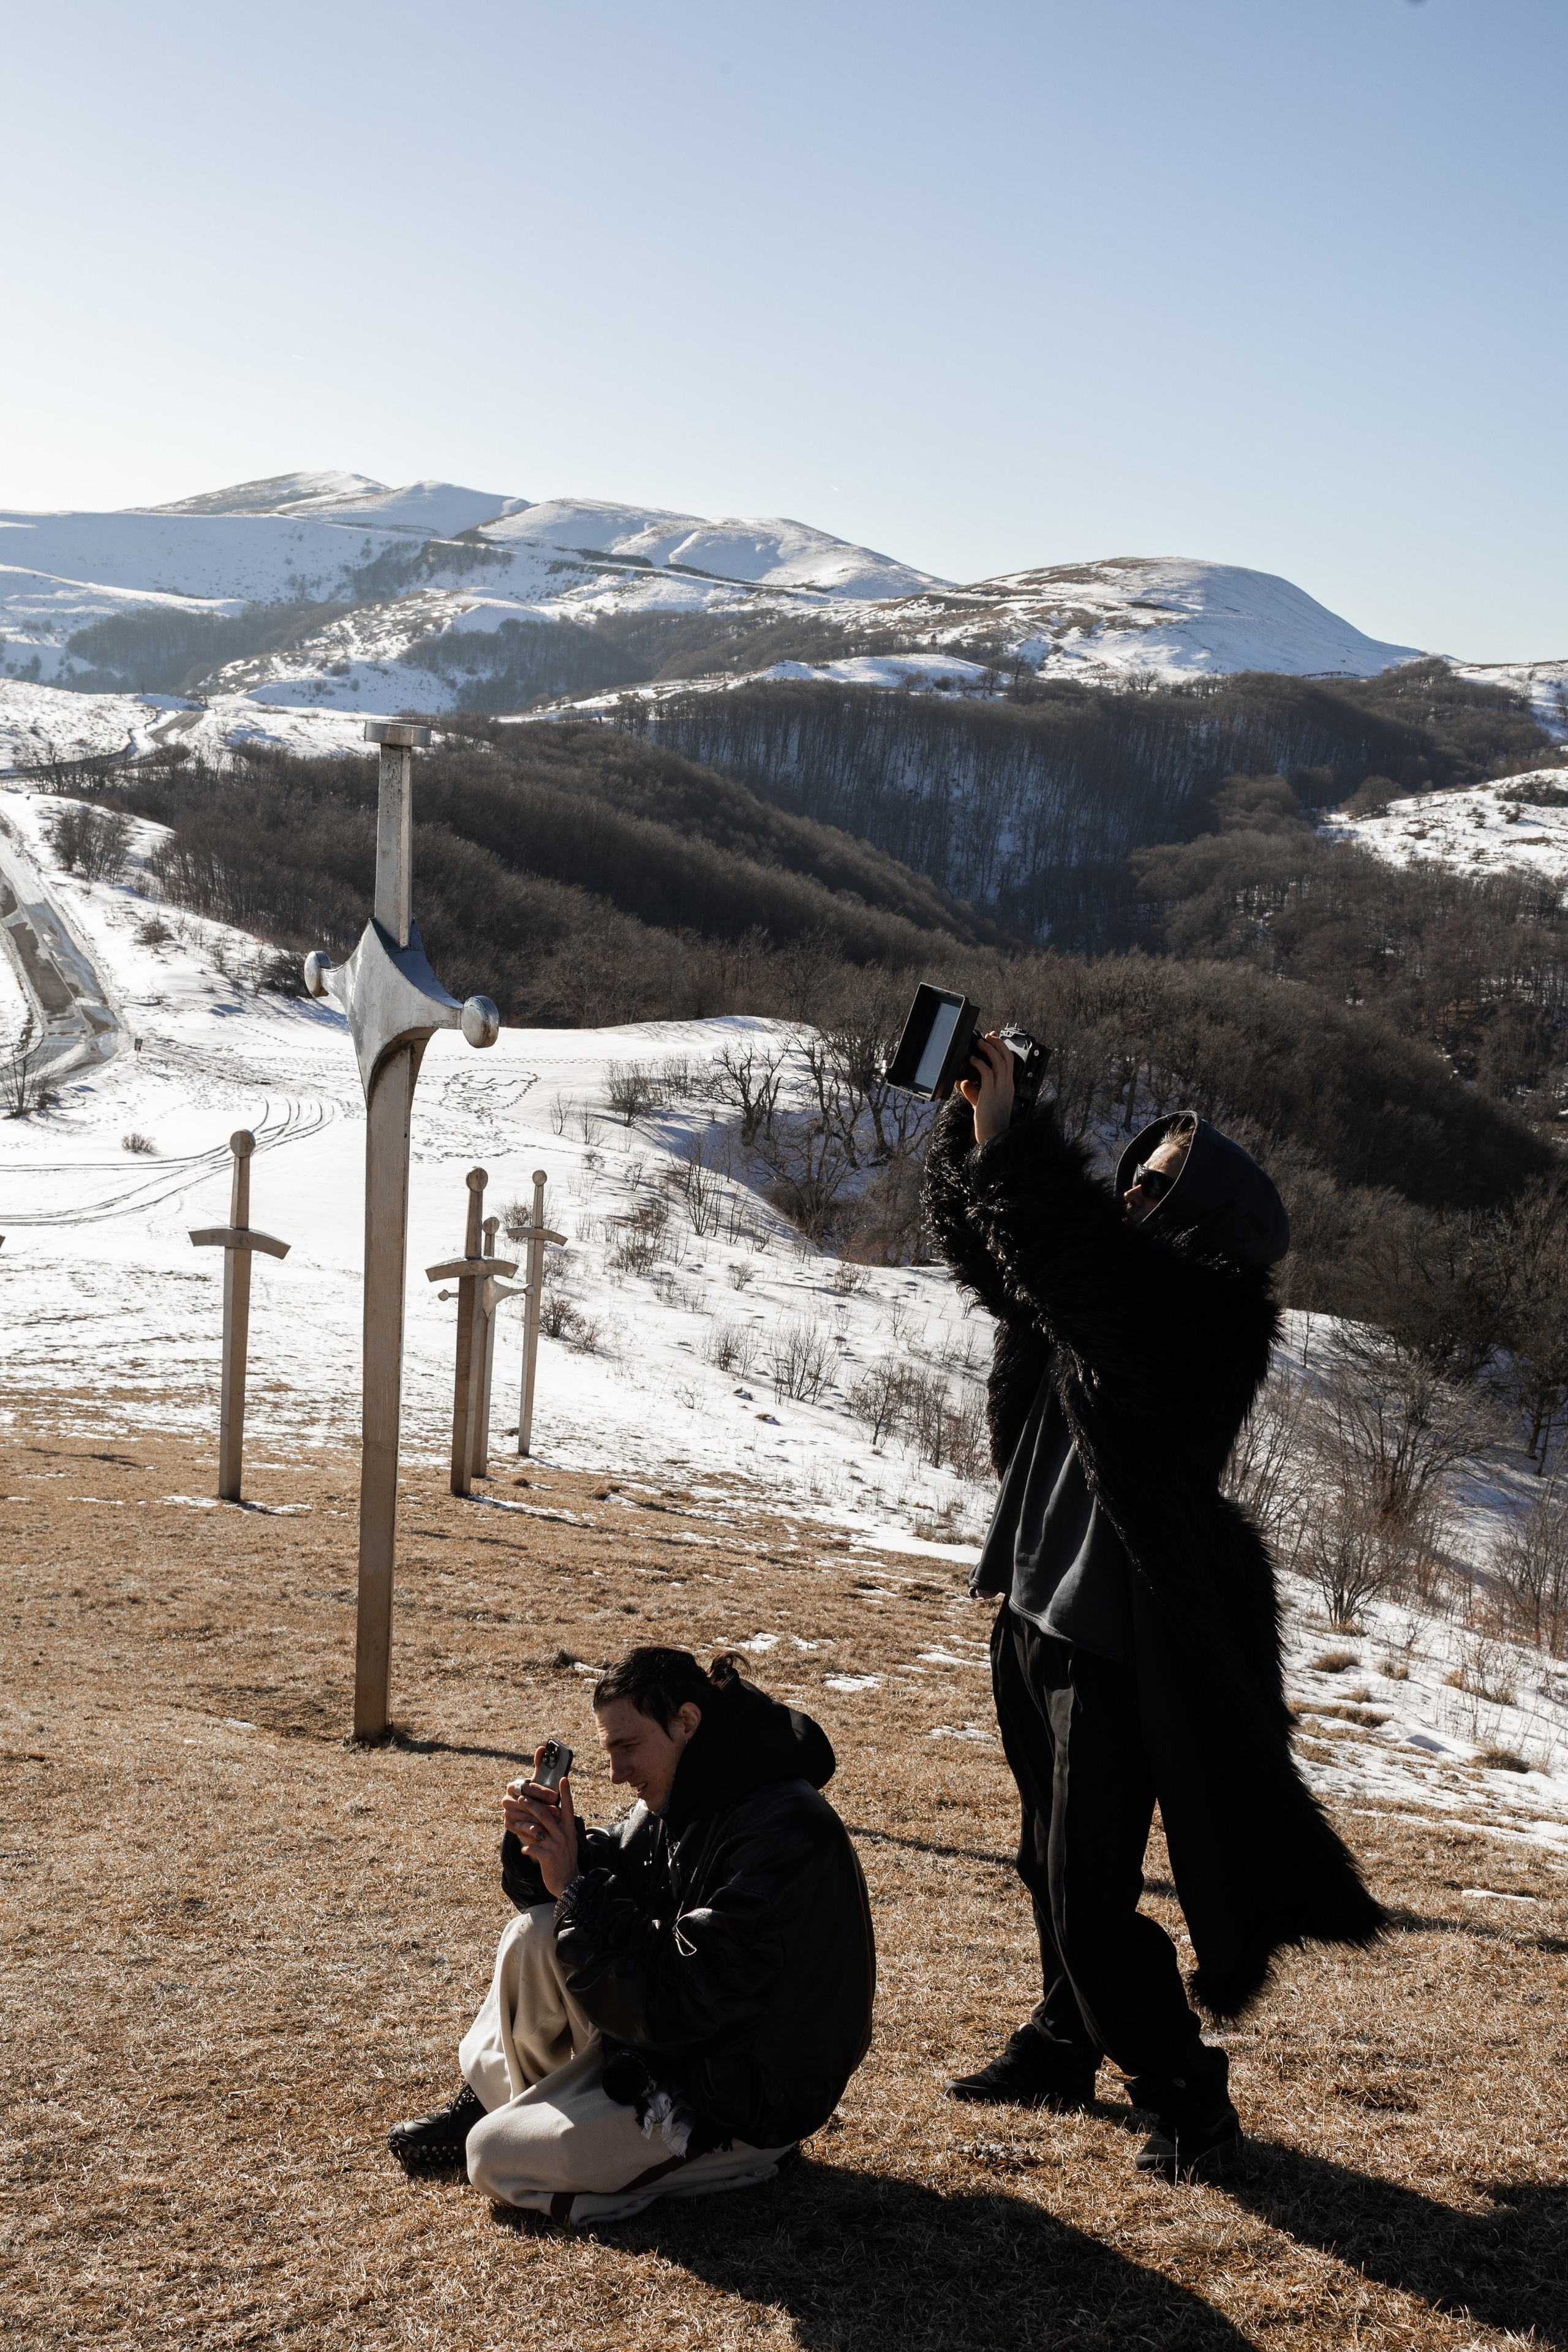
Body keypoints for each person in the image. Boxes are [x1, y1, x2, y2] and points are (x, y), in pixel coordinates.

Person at [922, 1036, 1384, 2179]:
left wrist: (1019, 1141)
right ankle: (1062, 2041)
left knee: (1089, 1899)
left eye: (1160, 1179)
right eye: (1135, 1170)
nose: (1133, 1188)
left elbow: (1079, 1268)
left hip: (1116, 1648)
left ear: (1207, 1213)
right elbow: (1000, 1252)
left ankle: (1186, 2092)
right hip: (1035, 1611)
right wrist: (970, 1124)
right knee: (1045, 1860)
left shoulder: (1203, 1318)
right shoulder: (1100, 1285)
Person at [388, 1647, 876, 2223]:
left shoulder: (785, 1829)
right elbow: (607, 1873)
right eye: (608, 1750)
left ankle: (746, 2162)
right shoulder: (693, 1787)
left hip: (733, 2099)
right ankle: (508, 2106)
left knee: (493, 2159)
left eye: (627, 1746)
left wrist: (575, 1887)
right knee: (535, 1932)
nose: (616, 1772)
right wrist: (545, 1848)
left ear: (687, 1722)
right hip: (675, 2053)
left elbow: (689, 1997)